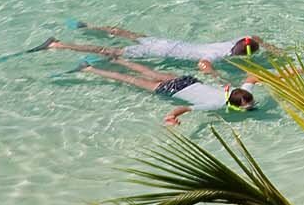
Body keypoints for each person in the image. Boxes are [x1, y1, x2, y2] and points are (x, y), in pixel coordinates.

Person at [72, 58, 258, 127]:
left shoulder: (239, 92)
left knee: (148, 72)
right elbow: (183, 107)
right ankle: (88, 69)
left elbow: (251, 79)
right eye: (247, 106)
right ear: (235, 105)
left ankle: (116, 59)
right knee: (129, 80)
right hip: (171, 89)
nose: (250, 105)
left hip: (187, 81)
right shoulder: (216, 105)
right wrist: (170, 117)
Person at [40, 23, 267, 63]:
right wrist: (219, 77)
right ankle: (58, 44)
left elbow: (254, 37)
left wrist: (275, 50)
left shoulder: (231, 43)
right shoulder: (220, 56)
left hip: (168, 42)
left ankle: (87, 27)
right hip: (160, 51)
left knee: (127, 33)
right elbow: (204, 65)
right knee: (109, 51)